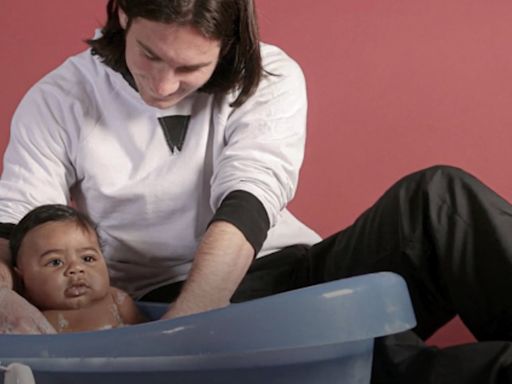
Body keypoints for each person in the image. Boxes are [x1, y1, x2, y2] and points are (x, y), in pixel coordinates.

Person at [1, 0, 512, 382]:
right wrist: (6, 299)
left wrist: (189, 333)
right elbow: (12, 225)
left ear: (228, 48)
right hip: (166, 299)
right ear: (126, 16)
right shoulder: (59, 98)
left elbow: (248, 198)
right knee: (387, 361)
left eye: (188, 69)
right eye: (150, 55)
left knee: (439, 198)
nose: (160, 85)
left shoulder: (271, 74)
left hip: (277, 268)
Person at [10, 204, 146, 333]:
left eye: (88, 259)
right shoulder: (24, 316)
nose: (76, 268)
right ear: (21, 277)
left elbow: (146, 338)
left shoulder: (118, 302)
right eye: (56, 262)